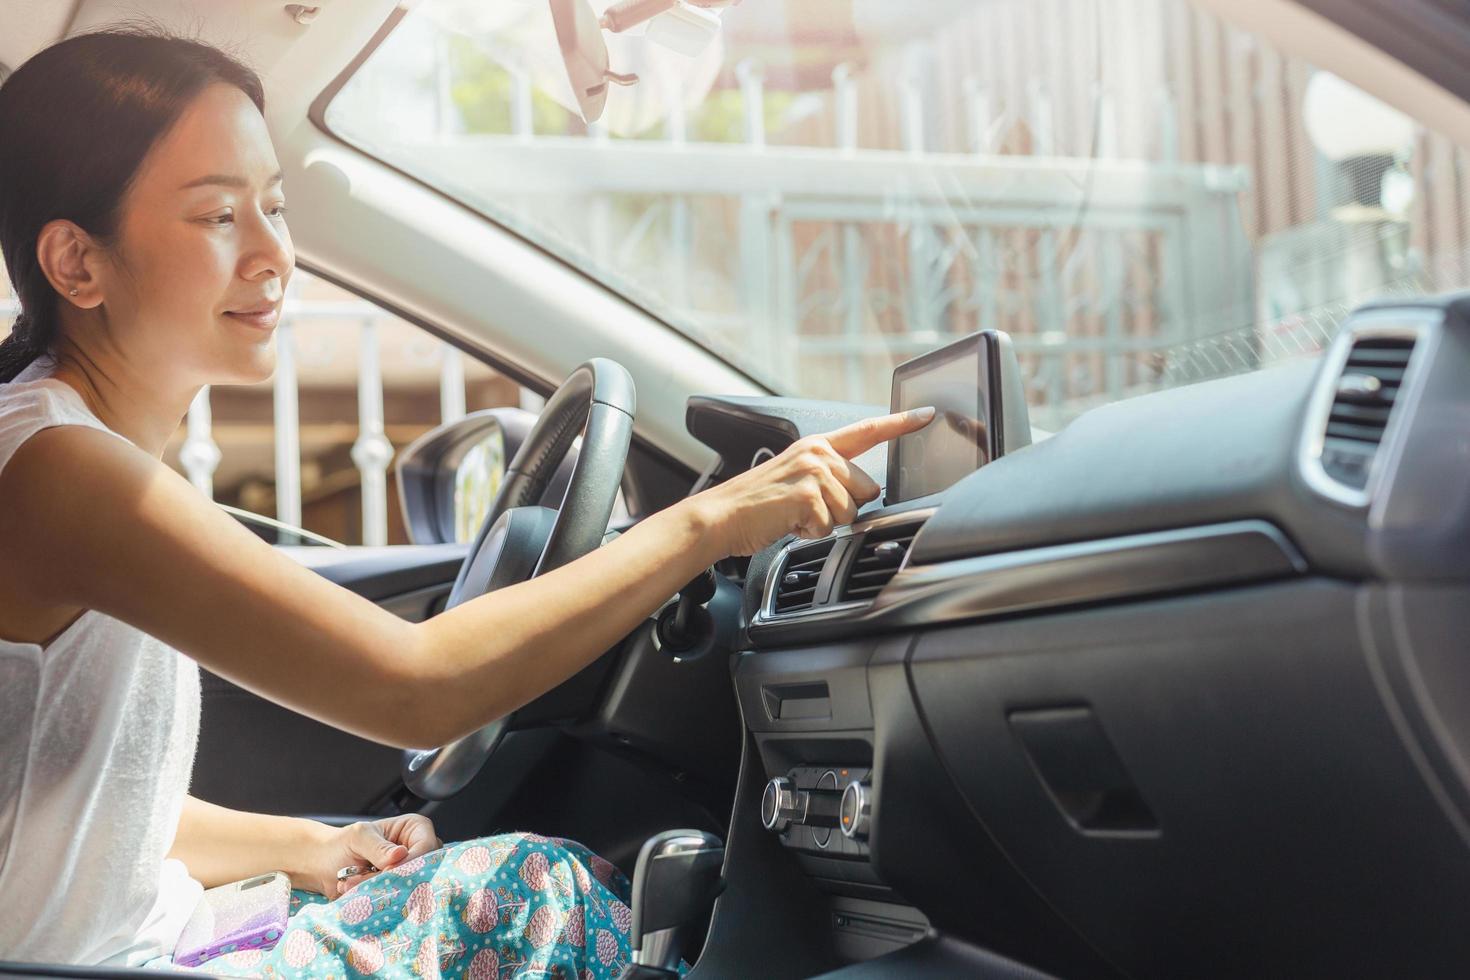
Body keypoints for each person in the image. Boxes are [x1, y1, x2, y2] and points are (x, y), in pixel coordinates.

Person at [0, 28, 934, 977]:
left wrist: (306, 847)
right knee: (544, 897)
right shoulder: (62, 473)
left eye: (274, 207)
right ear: (77, 263)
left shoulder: (73, 452)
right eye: (217, 217)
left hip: (141, 940)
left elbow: (76, 806)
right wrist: (714, 520)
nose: (274, 252)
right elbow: (419, 687)